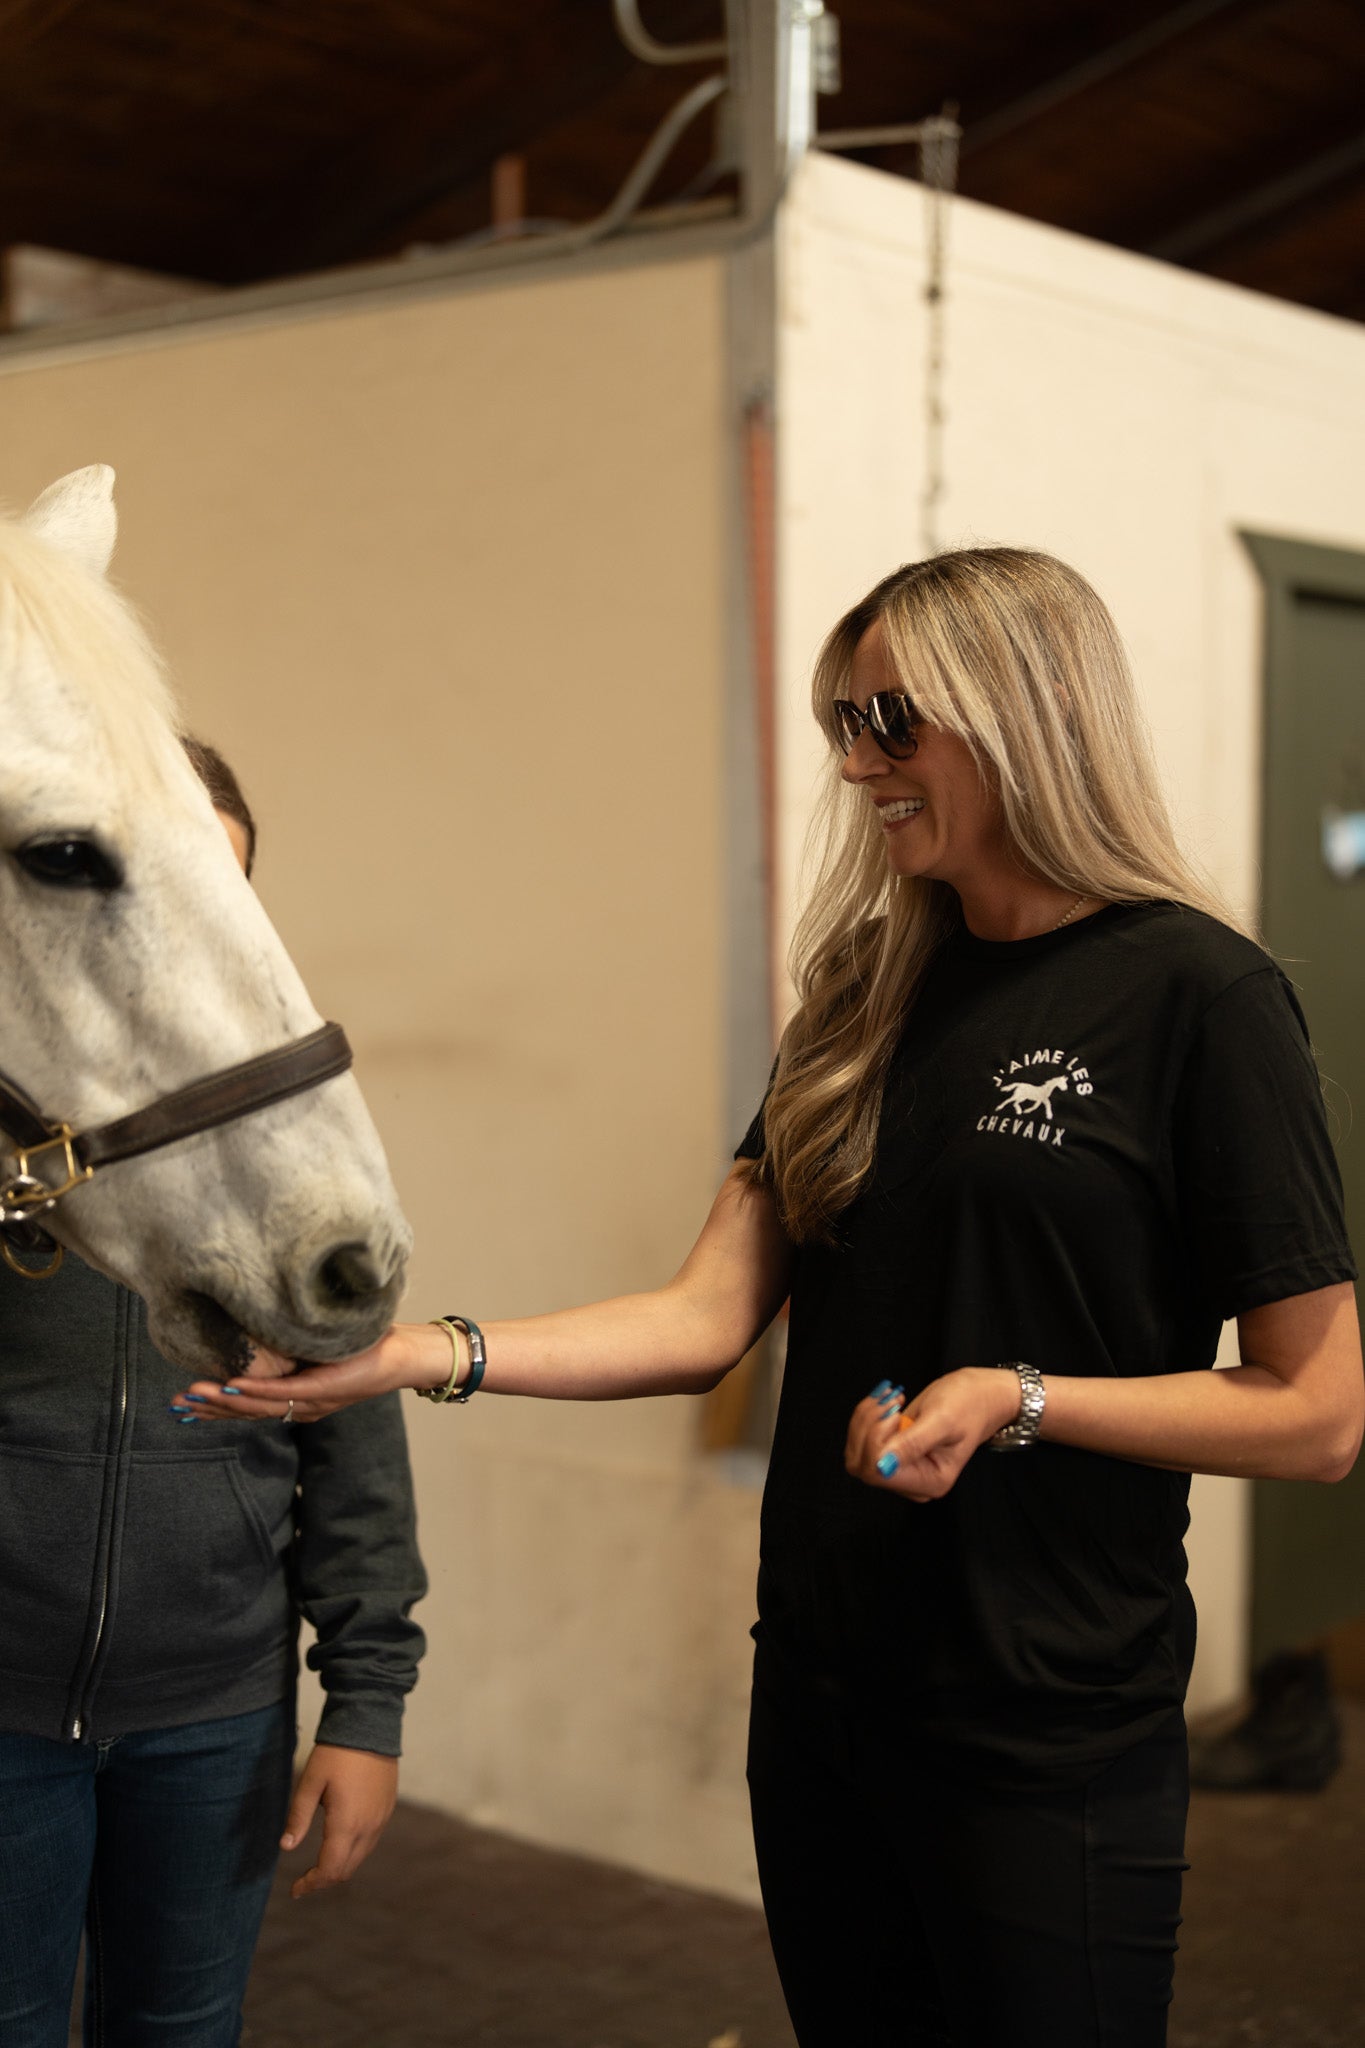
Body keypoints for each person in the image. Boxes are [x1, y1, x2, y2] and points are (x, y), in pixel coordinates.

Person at [182, 553, 1362, 2048]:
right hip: (820, 1696)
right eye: (837, 722)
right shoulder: (869, 987)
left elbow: (1317, 1417)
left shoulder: (1202, 998)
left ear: (1034, 709)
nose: (856, 761)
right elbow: (701, 1317)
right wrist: (417, 1353)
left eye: (892, 721)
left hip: (1045, 1718)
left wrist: (1020, 1400)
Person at [0, 738, 427, 2048]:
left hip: (214, 1718)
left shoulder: (269, 1153)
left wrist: (365, 1707)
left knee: (180, 2027)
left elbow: (357, 1460)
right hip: (6, 1717)